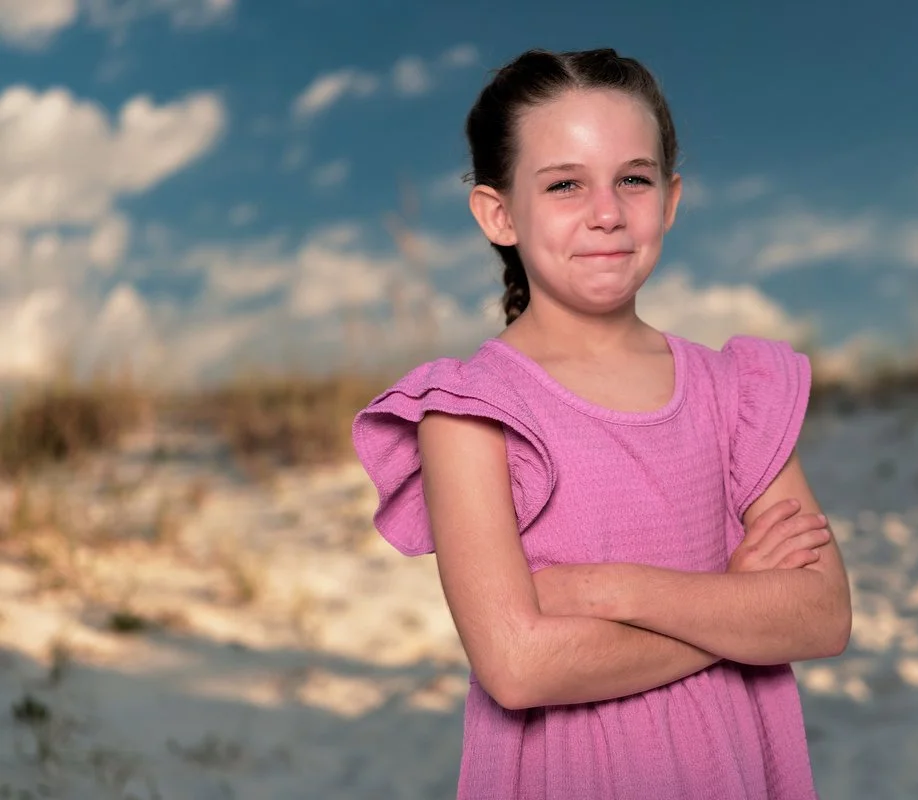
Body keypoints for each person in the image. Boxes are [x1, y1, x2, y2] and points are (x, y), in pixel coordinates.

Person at [352, 47, 851, 800]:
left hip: (734, 766)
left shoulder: (733, 389)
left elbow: (818, 615)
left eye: (634, 179)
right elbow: (520, 668)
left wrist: (611, 589)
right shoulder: (471, 413)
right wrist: (732, 605)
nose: (608, 212)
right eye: (563, 185)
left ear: (672, 198)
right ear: (498, 214)